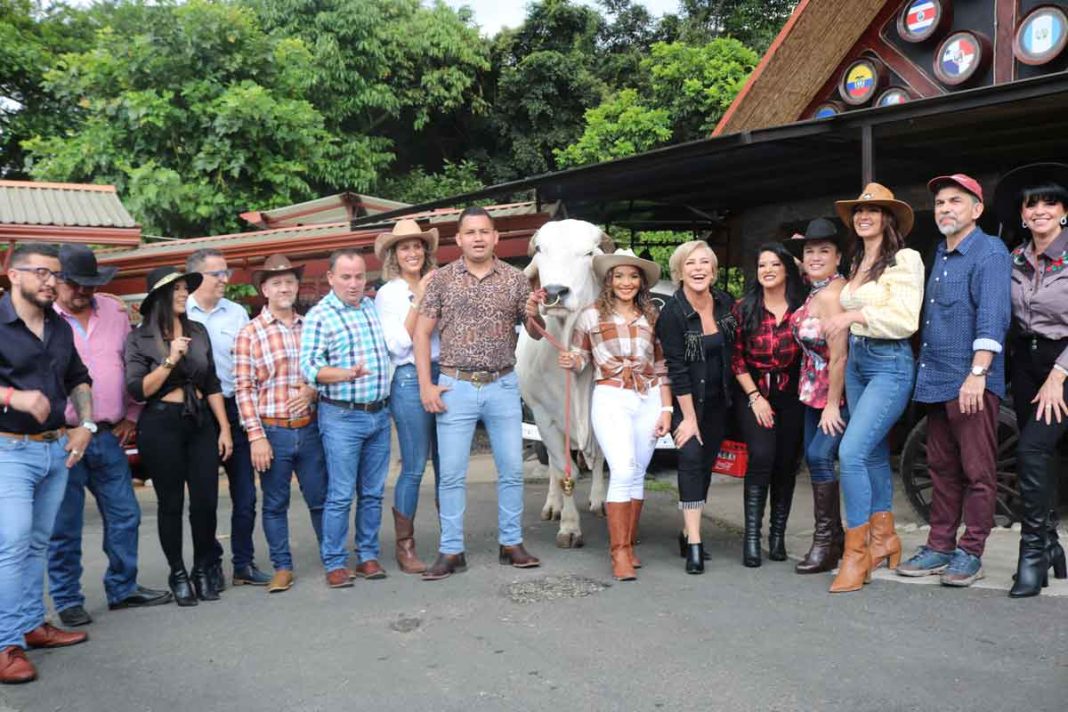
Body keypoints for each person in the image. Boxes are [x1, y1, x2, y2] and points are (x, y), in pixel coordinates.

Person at [48, 246, 173, 628]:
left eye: (89, 284)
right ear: (57, 281)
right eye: (75, 284)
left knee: (125, 514)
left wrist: (132, 415)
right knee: (65, 525)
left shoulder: (115, 312)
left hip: (107, 434)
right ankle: (68, 599)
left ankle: (122, 587)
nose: (82, 291)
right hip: (64, 437)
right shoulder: (43, 319)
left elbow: (131, 364)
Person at [415, 206, 542, 580]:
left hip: (502, 384)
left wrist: (536, 311)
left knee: (512, 469)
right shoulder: (442, 280)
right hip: (455, 384)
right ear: (458, 239)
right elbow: (421, 333)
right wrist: (426, 385)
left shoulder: (516, 280)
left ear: (496, 237)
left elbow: (535, 332)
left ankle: (511, 543)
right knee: (452, 474)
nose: (478, 238)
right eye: (470, 232)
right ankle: (451, 550)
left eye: (484, 231)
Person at [897, 175, 1011, 587]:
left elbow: (993, 316)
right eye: (941, 202)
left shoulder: (990, 252)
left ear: (977, 210)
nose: (945, 208)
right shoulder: (941, 253)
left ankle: (971, 552)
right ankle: (940, 546)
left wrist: (977, 374)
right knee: (941, 467)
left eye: (955, 201)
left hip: (971, 381)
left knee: (978, 471)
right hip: (936, 378)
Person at [823, 183, 924, 593]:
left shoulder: (904, 259)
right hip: (859, 362)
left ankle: (856, 553)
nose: (864, 216)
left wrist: (852, 317)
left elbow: (905, 319)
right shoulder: (857, 260)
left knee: (850, 452)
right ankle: (885, 540)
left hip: (889, 362)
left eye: (874, 211)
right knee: (874, 453)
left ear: (888, 218)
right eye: (859, 212)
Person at [0, 243, 93, 685]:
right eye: (41, 272)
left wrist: (86, 424)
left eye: (55, 274)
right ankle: (4, 644)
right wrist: (11, 396)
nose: (51, 281)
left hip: (55, 448)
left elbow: (78, 378)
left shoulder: (58, 326)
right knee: (13, 544)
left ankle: (32, 624)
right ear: (13, 274)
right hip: (8, 450)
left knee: (38, 543)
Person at [559, 249, 671, 580]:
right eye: (619, 276)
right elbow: (580, 357)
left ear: (641, 282)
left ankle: (629, 545)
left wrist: (666, 408)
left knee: (637, 471)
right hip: (611, 396)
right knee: (622, 469)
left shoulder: (651, 315)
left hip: (648, 397)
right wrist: (572, 360)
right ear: (608, 280)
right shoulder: (590, 315)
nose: (626, 282)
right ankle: (618, 552)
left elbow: (661, 366)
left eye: (633, 276)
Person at [125, 267, 232, 605]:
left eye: (186, 288)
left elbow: (211, 382)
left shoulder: (198, 330)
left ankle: (202, 569)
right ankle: (178, 573)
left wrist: (224, 428)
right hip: (161, 424)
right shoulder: (139, 338)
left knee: (206, 502)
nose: (185, 294)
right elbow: (138, 390)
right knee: (171, 503)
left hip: (200, 421)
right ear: (159, 296)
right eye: (177, 289)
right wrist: (170, 360)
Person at [993, 163, 1068, 598]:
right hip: (1025, 364)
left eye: (1050, 202)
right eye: (1031, 204)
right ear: (1022, 214)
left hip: (1064, 364)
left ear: (1064, 211)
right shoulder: (1013, 259)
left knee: (1032, 449)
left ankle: (1033, 553)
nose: (1040, 210)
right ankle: (1053, 543)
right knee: (1040, 453)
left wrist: (1059, 373)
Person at [300, 249, 392, 588]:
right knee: (340, 493)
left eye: (359, 276)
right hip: (342, 416)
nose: (354, 284)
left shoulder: (370, 307)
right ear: (330, 278)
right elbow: (309, 367)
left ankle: (367, 556)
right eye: (346, 277)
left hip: (379, 413)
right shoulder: (320, 316)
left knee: (373, 492)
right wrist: (345, 374)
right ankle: (335, 562)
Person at [234, 255, 326, 594]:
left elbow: (325, 369)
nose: (284, 288)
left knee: (320, 497)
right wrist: (256, 437)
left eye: (289, 281)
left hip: (310, 426)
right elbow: (244, 389)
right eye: (276, 283)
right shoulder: (250, 333)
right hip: (273, 430)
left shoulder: (312, 326)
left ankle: (332, 559)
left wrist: (312, 390)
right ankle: (282, 567)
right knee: (275, 504)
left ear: (297, 286)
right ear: (264, 290)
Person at [186, 248, 266, 588]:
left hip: (236, 407)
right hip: (197, 413)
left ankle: (243, 563)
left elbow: (252, 362)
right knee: (203, 498)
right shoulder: (180, 313)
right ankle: (209, 565)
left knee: (245, 495)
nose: (224, 279)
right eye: (217, 273)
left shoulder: (237, 313)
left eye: (226, 272)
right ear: (196, 277)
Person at [656, 241, 737, 574]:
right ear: (679, 271)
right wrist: (688, 418)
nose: (698, 269)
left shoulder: (725, 303)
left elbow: (734, 351)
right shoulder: (672, 313)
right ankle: (694, 543)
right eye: (691, 263)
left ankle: (687, 530)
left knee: (704, 465)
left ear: (713, 271)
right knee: (690, 459)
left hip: (718, 401)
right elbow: (676, 369)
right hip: (686, 401)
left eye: (705, 262)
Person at [731, 242, 806, 568]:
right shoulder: (743, 308)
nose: (768, 270)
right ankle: (751, 537)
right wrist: (755, 397)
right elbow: (735, 359)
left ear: (787, 269)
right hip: (754, 392)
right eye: (762, 265)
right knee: (761, 456)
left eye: (775, 264)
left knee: (786, 463)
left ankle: (777, 536)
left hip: (791, 395)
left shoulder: (802, 308)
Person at [374, 221, 441, 574]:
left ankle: (451, 543)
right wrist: (419, 300)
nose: (412, 253)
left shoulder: (439, 281)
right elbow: (398, 345)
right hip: (409, 378)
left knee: (448, 466)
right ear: (394, 255)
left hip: (445, 372)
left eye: (417, 246)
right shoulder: (389, 294)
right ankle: (405, 547)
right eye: (404, 248)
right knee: (414, 466)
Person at [783, 219, 849, 575]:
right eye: (809, 251)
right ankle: (835, 538)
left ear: (839, 256)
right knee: (813, 458)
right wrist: (799, 254)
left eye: (825, 250)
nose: (815, 257)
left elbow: (840, 356)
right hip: (811, 391)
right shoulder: (816, 289)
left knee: (821, 456)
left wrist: (833, 404)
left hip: (832, 392)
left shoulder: (834, 294)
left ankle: (825, 542)